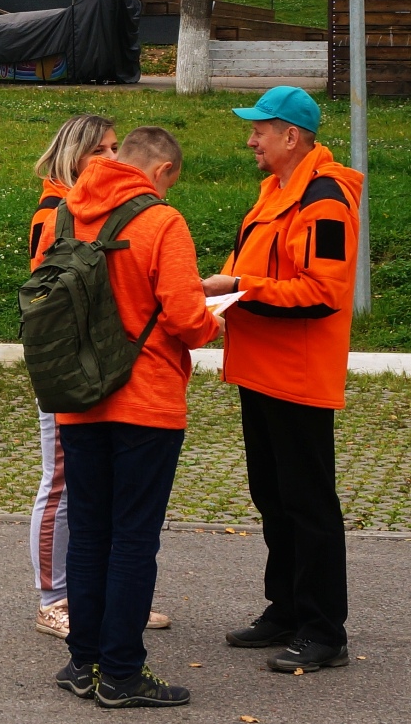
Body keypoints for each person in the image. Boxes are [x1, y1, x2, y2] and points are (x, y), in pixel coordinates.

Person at [42, 127, 222, 709]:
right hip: (146, 401)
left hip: (79, 398)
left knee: (89, 533)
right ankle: (121, 674)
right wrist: (215, 322)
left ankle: (83, 663)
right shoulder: (161, 221)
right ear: (162, 171)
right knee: (133, 539)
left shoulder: (63, 215)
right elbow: (186, 318)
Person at [202, 86, 365, 675]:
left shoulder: (324, 201)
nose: (251, 140)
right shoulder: (276, 191)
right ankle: (287, 608)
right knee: (273, 496)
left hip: (297, 376)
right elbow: (253, 266)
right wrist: (221, 288)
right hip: (261, 370)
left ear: (291, 136)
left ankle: (323, 630)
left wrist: (237, 290)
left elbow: (322, 293)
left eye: (259, 130)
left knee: (308, 503)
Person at [29, 113, 150, 642]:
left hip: (96, 362)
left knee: (96, 486)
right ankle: (53, 599)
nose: (113, 158)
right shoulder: (56, 211)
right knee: (59, 482)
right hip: (69, 365)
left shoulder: (93, 207)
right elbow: (52, 292)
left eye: (116, 147)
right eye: (100, 150)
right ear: (73, 155)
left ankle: (102, 596)